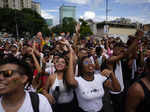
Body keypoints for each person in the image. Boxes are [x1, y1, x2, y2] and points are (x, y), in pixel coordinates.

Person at [64, 40, 121, 112]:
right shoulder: (78, 81)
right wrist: (71, 54)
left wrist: (112, 74)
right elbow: (70, 81)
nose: (90, 64)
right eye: (86, 62)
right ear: (82, 67)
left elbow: (117, 89)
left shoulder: (99, 78)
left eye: (91, 62)